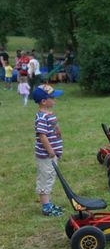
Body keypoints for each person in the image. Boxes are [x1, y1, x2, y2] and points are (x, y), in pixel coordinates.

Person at [33, 84, 65, 217]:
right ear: (44, 101)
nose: (55, 100)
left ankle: (48, 203)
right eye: (52, 97)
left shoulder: (48, 114)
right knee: (45, 178)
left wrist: (57, 128)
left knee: (51, 177)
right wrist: (50, 151)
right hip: (46, 155)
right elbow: (42, 135)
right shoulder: (41, 117)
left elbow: (52, 127)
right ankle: (46, 207)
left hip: (52, 154)